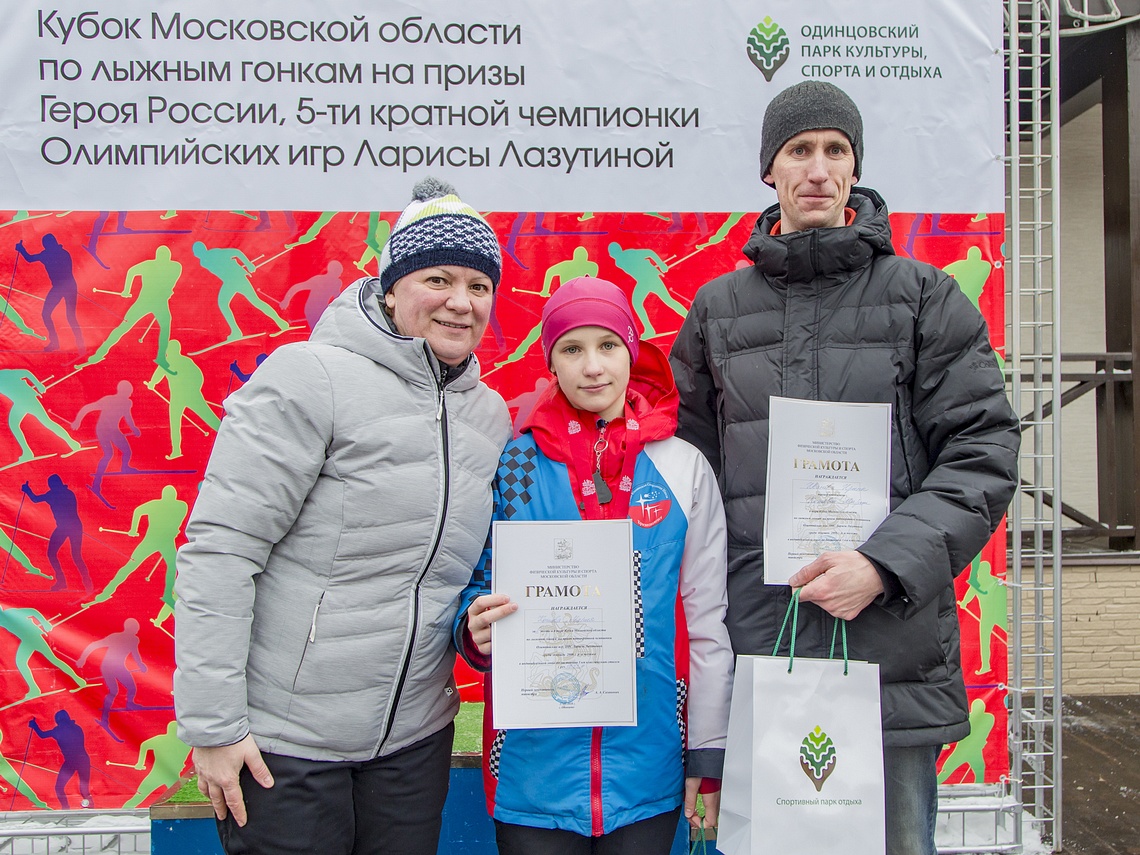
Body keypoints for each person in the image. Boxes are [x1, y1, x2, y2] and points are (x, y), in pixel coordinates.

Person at [668, 80, 1021, 855]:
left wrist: (883, 564)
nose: (818, 168)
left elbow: (983, 448)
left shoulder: (923, 297)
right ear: (771, 170)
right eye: (799, 150)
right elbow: (688, 476)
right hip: (763, 646)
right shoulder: (717, 311)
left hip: (890, 651)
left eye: (836, 150)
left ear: (855, 168)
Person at [173, 177, 511, 855]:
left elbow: (464, 577)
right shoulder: (308, 377)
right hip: (287, 747)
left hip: (413, 744)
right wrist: (213, 727)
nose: (459, 301)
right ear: (390, 286)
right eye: (437, 278)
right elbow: (221, 551)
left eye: (478, 285)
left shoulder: (491, 416)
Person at [457, 276, 733, 853]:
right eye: (571, 349)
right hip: (534, 770)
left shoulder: (682, 467)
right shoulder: (511, 464)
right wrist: (474, 631)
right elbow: (475, 586)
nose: (592, 367)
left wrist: (706, 751)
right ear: (550, 361)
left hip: (649, 764)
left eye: (608, 346)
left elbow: (706, 621)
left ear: (633, 351)